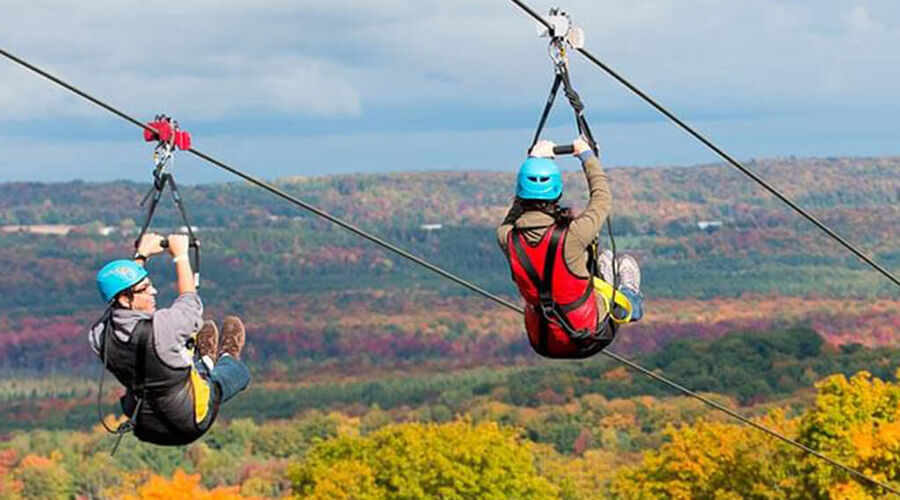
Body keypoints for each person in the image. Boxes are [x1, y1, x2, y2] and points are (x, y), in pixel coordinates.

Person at [89, 233, 251, 446]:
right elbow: (191, 307)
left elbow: (118, 299)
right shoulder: (161, 329)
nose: (152, 291)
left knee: (166, 363)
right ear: (124, 298)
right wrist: (180, 256)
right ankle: (221, 358)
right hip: (189, 421)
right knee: (233, 376)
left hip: (145, 425)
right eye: (144, 289)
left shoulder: (99, 335)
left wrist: (141, 256)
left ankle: (203, 363)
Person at [497, 137, 644, 359]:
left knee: (601, 260)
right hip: (589, 336)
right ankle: (630, 300)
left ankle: (609, 282)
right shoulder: (572, 236)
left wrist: (534, 161)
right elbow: (601, 199)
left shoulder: (507, 237)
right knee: (621, 263)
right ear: (557, 192)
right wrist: (587, 156)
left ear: (521, 192)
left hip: (544, 341)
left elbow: (515, 213)